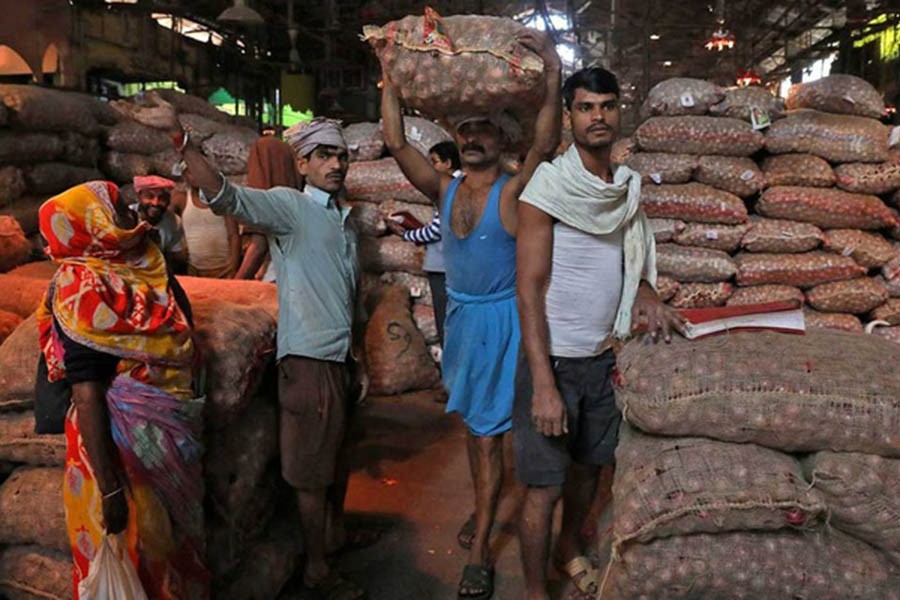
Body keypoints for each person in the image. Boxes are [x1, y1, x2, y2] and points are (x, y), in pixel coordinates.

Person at [119, 96, 372, 599]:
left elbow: (348, 294)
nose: (336, 164)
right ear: (301, 164)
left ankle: (335, 536)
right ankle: (318, 569)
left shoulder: (342, 222)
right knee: (310, 472)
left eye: (341, 155)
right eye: (323, 155)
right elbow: (224, 194)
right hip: (309, 363)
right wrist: (184, 143)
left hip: (339, 360)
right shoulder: (292, 206)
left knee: (339, 457)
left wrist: (358, 357)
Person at [381, 30, 562, 600]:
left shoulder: (511, 192)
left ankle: (481, 547)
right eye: (465, 131)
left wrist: (553, 78)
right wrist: (390, 78)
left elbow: (545, 148)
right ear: (457, 142)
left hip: (502, 322)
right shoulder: (444, 187)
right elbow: (394, 141)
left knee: (489, 438)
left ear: (500, 137)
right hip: (461, 323)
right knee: (477, 432)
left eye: (483, 130)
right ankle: (484, 506)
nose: (473, 138)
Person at [515, 67, 686, 600]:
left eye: (607, 107)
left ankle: (570, 549)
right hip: (556, 361)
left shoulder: (625, 187)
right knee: (542, 487)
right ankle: (533, 591)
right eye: (586, 108)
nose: (598, 117)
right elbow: (528, 287)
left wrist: (646, 291)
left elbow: (631, 256)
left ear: (619, 113)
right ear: (570, 115)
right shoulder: (548, 186)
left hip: (601, 357)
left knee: (588, 471)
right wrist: (542, 382)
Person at [37, 181, 208, 598]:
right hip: (116, 447)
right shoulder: (80, 286)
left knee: (173, 553)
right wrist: (111, 487)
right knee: (136, 553)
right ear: (94, 222)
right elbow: (87, 391)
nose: (132, 211)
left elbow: (182, 326)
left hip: (167, 426)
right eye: (118, 207)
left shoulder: (145, 261)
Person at [384, 140, 462, 347]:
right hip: (450, 264)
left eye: (434, 162)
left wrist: (410, 235)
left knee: (446, 321)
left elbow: (438, 229)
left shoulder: (451, 189)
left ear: (448, 163)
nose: (430, 168)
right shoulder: (460, 186)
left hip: (443, 266)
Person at [235, 136, 303, 281]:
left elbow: (260, 245)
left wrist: (235, 284)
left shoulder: (270, 201)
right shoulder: (300, 201)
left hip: (277, 276)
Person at [181, 184, 241, 278]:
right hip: (195, 270)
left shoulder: (223, 200)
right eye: (189, 172)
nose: (194, 176)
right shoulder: (181, 198)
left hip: (224, 268)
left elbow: (233, 234)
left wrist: (234, 264)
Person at [132, 175, 188, 273]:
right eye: (150, 196)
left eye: (162, 198)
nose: (156, 202)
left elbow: (177, 259)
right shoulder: (127, 216)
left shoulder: (174, 222)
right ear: (139, 196)